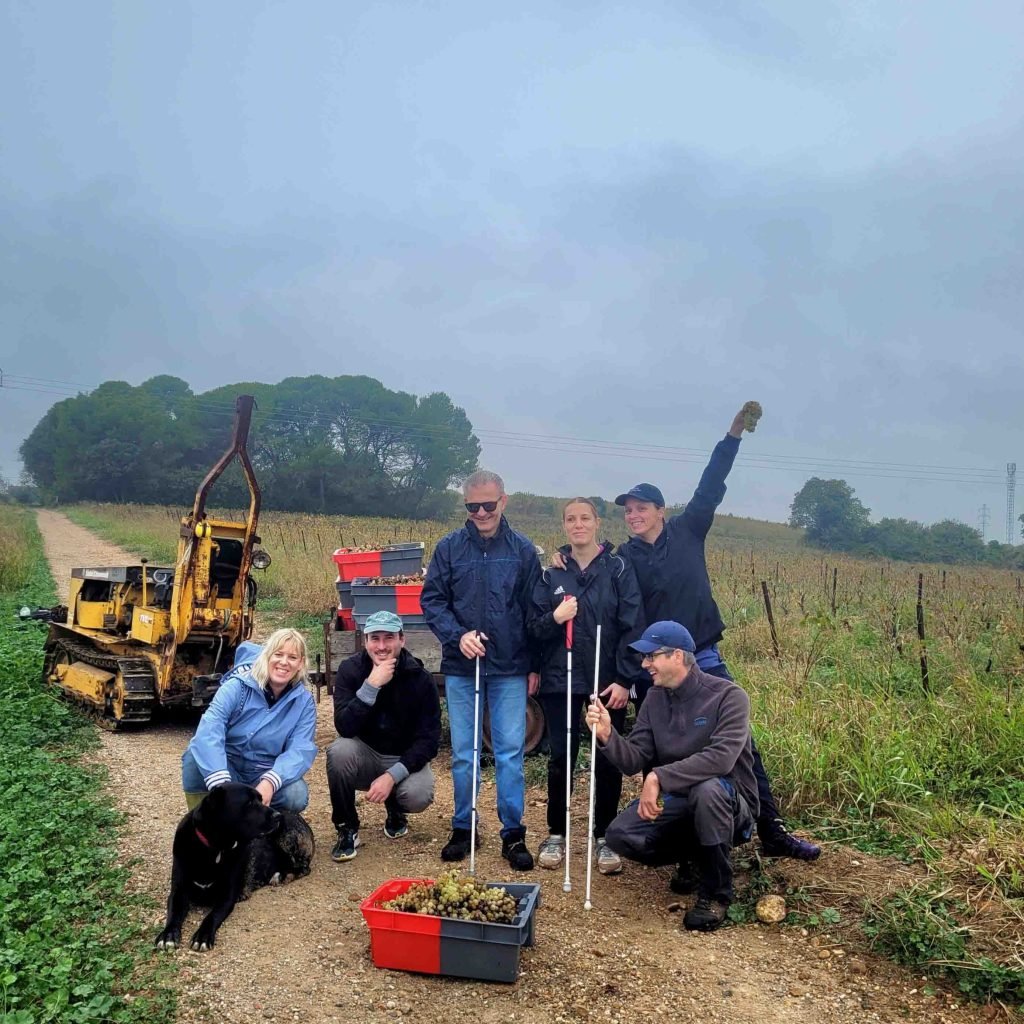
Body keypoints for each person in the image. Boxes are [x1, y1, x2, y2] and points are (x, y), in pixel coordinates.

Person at [612, 407, 820, 861]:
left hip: (702, 657)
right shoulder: (624, 559)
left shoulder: (689, 530)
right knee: (657, 752)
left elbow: (711, 483)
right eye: (628, 511)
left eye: (641, 508)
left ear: (661, 511)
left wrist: (733, 434)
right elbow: (620, 615)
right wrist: (630, 675)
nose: (633, 516)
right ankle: (681, 844)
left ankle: (771, 827)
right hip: (656, 667)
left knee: (740, 741)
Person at [585, 621, 757, 933]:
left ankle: (716, 892)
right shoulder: (654, 699)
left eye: (651, 656)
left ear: (677, 656)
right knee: (619, 835)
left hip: (730, 802)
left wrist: (658, 778)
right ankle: (694, 855)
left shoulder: (729, 697)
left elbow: (721, 758)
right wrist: (608, 735)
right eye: (644, 658)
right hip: (680, 801)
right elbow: (635, 757)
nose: (644, 664)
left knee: (708, 790)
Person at [420, 470, 542, 871]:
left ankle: (513, 832)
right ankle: (464, 826)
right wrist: (458, 636)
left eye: (489, 505)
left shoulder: (523, 550)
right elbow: (432, 600)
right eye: (473, 506)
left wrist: (534, 665)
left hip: (509, 667)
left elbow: (534, 611)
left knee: (509, 753)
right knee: (463, 754)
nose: (482, 513)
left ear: (503, 501)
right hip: (461, 666)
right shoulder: (449, 548)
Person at [526, 497, 645, 876]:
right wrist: (555, 618)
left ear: (597, 522)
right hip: (561, 678)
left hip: (606, 680)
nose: (578, 525)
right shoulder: (550, 575)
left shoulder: (618, 569)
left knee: (606, 757)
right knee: (561, 757)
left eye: (584, 518)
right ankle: (557, 833)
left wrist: (625, 678)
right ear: (564, 525)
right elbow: (533, 629)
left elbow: (633, 626)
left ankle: (604, 836)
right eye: (570, 519)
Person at [326, 611, 441, 862]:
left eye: (389, 638)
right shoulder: (350, 670)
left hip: (402, 758)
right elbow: (344, 728)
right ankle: (347, 828)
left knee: (418, 795)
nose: (381, 646)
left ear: (402, 640)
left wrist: (392, 776)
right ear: (365, 641)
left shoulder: (420, 679)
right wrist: (371, 686)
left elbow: (430, 740)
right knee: (339, 751)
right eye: (374, 638)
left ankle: (396, 809)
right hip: (366, 753)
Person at [181, 628, 317, 812]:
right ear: (267, 656)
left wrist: (271, 781)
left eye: (292, 657)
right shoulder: (237, 686)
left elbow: (300, 749)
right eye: (278, 654)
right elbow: (210, 728)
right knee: (193, 758)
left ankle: (265, 825)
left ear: (301, 664)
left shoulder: (304, 702)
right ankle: (204, 823)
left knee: (296, 795)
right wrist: (222, 786)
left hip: (263, 773)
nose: (284, 662)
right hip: (228, 766)